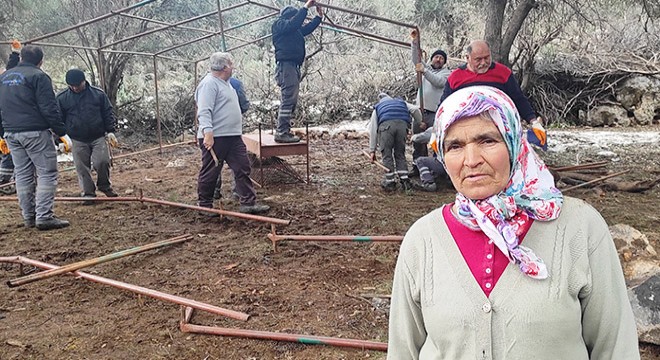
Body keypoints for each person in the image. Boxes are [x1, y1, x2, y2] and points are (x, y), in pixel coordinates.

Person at [387, 86, 639, 359]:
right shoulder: (422, 240)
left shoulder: (581, 228)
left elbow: (616, 348)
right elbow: (403, 351)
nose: (471, 161)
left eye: (487, 141)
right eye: (455, 146)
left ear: (513, 143)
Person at [0, 45, 71, 230]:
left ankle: (29, 217)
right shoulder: (39, 77)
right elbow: (49, 108)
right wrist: (61, 132)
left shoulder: (5, 77)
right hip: (35, 132)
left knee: (22, 174)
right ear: (41, 61)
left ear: (22, 58)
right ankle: (44, 217)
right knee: (47, 172)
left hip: (11, 133)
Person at [195, 52, 269, 215]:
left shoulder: (226, 84)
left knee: (242, 167)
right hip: (217, 137)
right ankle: (205, 205)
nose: (233, 67)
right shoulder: (209, 84)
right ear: (224, 67)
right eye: (231, 64)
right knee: (211, 169)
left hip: (232, 136)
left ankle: (248, 202)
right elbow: (204, 110)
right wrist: (208, 132)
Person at [440, 40, 547, 150]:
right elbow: (444, 106)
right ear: (467, 58)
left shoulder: (503, 73)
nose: (483, 63)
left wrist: (533, 122)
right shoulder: (455, 77)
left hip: (499, 131)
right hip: (466, 131)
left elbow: (518, 99)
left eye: (487, 58)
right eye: (478, 59)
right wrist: (436, 131)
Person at [57, 69, 119, 205]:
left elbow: (107, 112)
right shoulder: (62, 98)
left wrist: (110, 131)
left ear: (84, 81)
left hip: (98, 136)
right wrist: (61, 139)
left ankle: (104, 185)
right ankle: (88, 193)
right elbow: (58, 119)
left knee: (102, 162)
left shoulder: (98, 94)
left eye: (77, 85)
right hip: (77, 138)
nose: (75, 88)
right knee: (81, 167)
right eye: (71, 86)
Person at [271, 0, 323, 143]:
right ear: (290, 17)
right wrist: (306, 7)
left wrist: (318, 17)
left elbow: (306, 29)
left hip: (292, 67)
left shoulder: (292, 30)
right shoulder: (279, 25)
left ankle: (284, 130)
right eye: (295, 18)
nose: (298, 22)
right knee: (288, 99)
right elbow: (295, 24)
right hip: (286, 66)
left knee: (291, 100)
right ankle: (281, 132)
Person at [368, 93, 421, 193]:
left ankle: (390, 182)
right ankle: (405, 180)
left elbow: (373, 129)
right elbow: (415, 109)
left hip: (386, 128)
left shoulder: (378, 107)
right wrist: (420, 122)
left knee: (387, 153)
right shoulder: (401, 102)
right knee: (400, 153)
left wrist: (372, 150)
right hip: (402, 126)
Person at [411, 49, 450, 175]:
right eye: (436, 57)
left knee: (435, 141)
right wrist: (414, 42)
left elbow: (438, 82)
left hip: (435, 113)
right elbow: (415, 59)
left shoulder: (446, 73)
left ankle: (435, 169)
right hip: (420, 112)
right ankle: (417, 167)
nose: (438, 59)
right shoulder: (426, 68)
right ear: (432, 58)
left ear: (444, 62)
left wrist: (424, 71)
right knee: (417, 141)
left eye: (441, 58)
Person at [214, 76, 250, 200]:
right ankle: (238, 192)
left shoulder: (206, 83)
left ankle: (214, 191)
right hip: (232, 131)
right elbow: (244, 105)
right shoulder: (236, 83)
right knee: (239, 163)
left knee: (214, 162)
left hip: (214, 132)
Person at [0, 40, 21, 195]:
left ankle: (5, 181)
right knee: (7, 154)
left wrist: (15, 53)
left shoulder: (4, 82)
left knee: (7, 153)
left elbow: (9, 70)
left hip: (5, 125)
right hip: (5, 126)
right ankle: (4, 182)